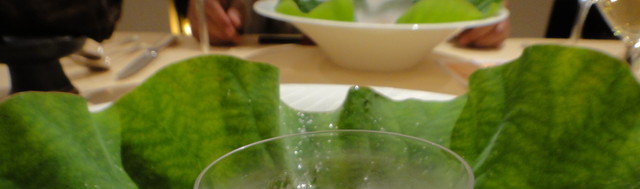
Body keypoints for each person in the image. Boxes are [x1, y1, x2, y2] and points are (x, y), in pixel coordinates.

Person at [187, 0, 511, 48]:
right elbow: (246, 9)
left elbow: (485, 10)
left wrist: (489, 25)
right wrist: (224, 14)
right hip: (303, 68)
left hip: (428, 72)